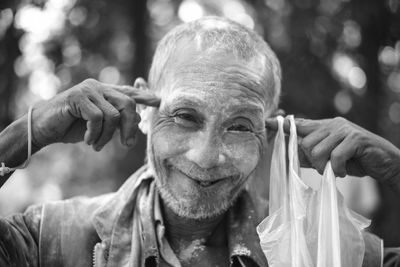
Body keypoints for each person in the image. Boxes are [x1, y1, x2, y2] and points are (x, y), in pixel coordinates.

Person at [0, 16, 400, 267]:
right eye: (185, 116)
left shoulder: (317, 249)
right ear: (144, 108)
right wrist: (25, 135)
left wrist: (394, 167)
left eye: (241, 126)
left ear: (271, 131)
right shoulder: (53, 239)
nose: (207, 157)